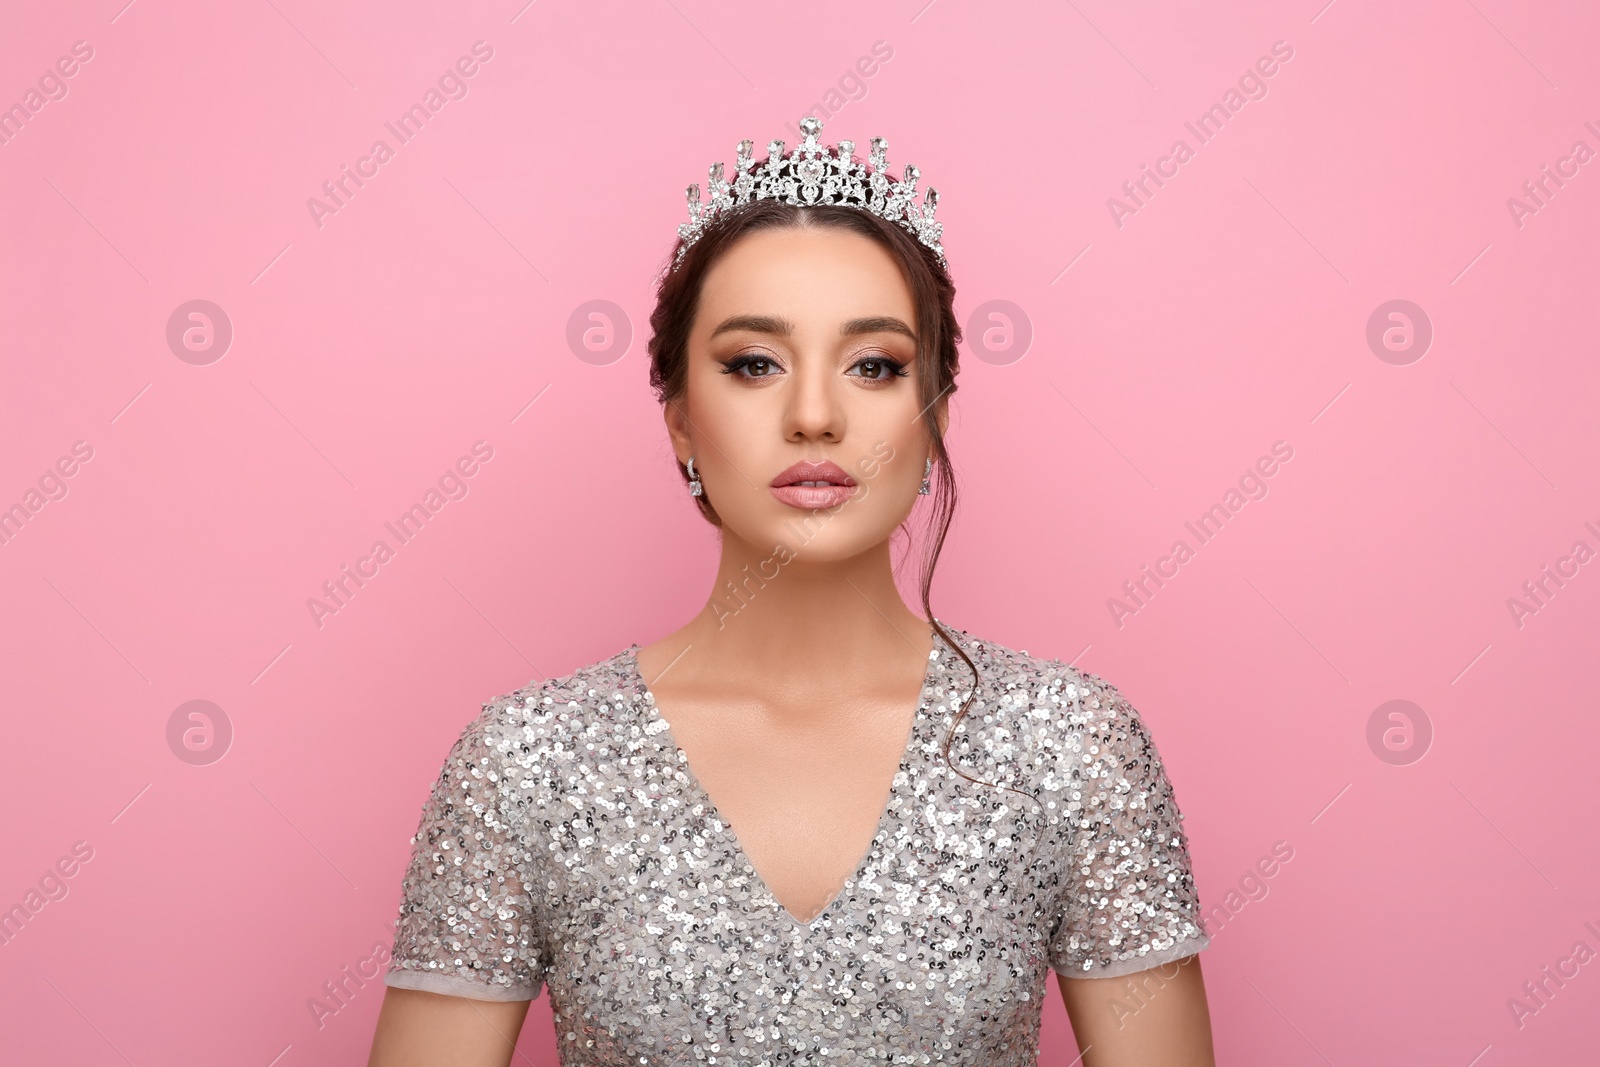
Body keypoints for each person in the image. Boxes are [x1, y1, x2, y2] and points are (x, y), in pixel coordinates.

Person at [367, 117, 1215, 1066]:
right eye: (754, 364)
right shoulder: (527, 762)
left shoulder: (1071, 743)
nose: (815, 414)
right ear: (681, 418)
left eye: (876, 366)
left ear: (934, 411)